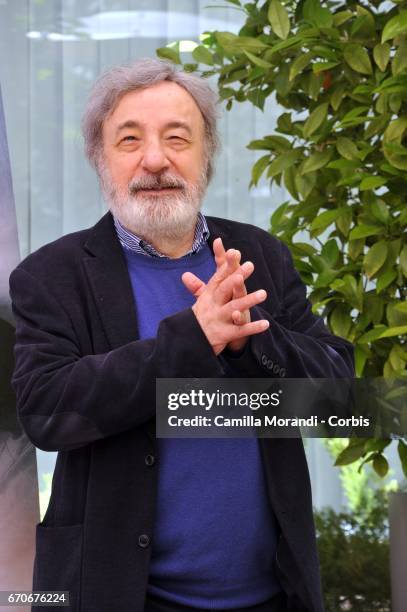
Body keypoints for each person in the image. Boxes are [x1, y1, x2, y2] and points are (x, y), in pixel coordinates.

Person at [9, 58, 354, 612]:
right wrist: (192, 338)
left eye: (177, 138)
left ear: (206, 154)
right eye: (129, 140)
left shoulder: (259, 255)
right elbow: (47, 411)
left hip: (273, 594)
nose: (155, 160)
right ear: (100, 159)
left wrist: (251, 342)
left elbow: (335, 400)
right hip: (120, 593)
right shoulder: (52, 275)